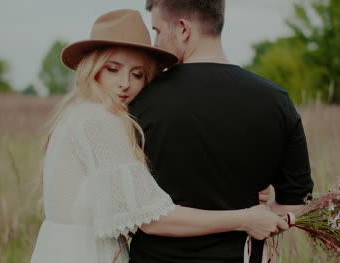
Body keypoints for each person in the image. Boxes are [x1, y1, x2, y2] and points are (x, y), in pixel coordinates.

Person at [30, 9, 289, 263]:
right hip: (86, 254)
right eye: (113, 69)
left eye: (137, 74)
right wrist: (245, 219)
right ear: (92, 68)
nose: (124, 83)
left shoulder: (78, 112)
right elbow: (152, 220)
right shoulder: (100, 120)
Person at [128, 1, 314, 262]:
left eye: (157, 30)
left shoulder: (140, 102)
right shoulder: (277, 101)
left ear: (183, 29)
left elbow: (134, 210)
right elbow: (296, 202)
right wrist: (255, 217)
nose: (156, 42)